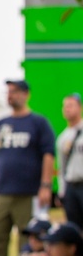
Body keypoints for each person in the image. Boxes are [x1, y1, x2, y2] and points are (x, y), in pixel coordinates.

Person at [0, 79, 56, 256]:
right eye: (8, 92)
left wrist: (45, 186)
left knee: (27, 240)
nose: (10, 95)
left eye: (14, 91)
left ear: (25, 94)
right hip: (3, 192)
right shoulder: (1, 125)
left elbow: (49, 155)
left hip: (29, 193)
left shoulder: (38, 123)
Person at [57, 92, 83, 227]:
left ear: (80, 107)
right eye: (65, 106)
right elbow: (62, 168)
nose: (67, 109)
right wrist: (62, 192)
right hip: (71, 187)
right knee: (74, 227)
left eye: (71, 105)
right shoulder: (62, 138)